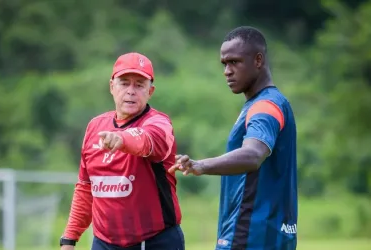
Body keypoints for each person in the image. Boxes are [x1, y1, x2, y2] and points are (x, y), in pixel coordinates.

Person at [169, 26, 297, 250]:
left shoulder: (265, 106)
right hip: (268, 235)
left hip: (250, 236)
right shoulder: (269, 103)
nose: (227, 71)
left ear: (258, 60)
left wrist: (201, 165)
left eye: (234, 62)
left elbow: (253, 155)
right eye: (224, 64)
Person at [60, 52, 184, 250]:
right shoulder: (95, 126)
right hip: (103, 243)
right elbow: (85, 187)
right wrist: (69, 238)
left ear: (150, 91)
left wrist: (121, 139)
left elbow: (150, 141)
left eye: (139, 85)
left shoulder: (159, 123)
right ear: (112, 87)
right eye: (124, 83)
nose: (131, 91)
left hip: (155, 242)